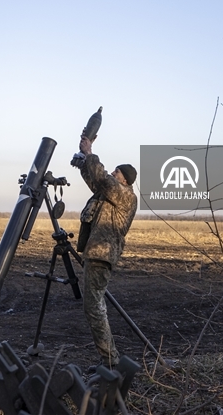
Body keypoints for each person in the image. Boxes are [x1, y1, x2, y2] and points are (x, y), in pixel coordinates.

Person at [74, 135, 138, 368]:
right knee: (93, 305)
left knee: (94, 307)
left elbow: (102, 179)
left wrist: (90, 153)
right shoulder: (110, 193)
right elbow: (96, 183)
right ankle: (109, 361)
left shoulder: (126, 196)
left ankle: (111, 363)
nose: (112, 173)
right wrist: (83, 163)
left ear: (126, 180)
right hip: (96, 253)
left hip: (102, 254)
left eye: (117, 172)